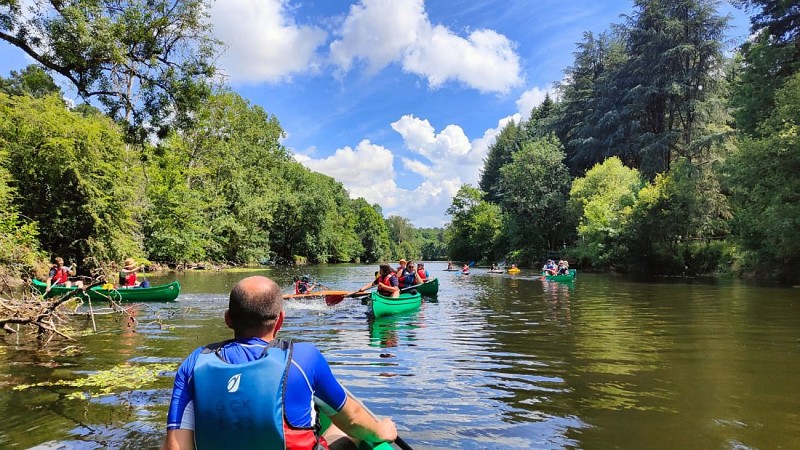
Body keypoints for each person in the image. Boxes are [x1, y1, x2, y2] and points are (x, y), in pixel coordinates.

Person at [161, 276, 397, 450]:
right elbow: (354, 418)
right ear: (280, 320)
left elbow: (175, 446)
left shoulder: (195, 362)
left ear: (228, 319)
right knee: (341, 428)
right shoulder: (304, 358)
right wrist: (381, 430)